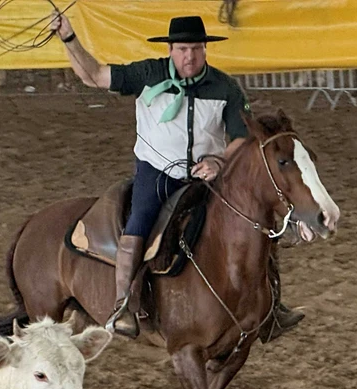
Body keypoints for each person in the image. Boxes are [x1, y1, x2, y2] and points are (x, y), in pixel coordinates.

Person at [50, 12, 304, 340]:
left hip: (208, 174)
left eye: (196, 49)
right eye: (183, 49)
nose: (190, 56)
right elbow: (94, 75)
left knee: (255, 219)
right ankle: (124, 304)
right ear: (170, 49)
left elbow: (242, 137)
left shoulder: (226, 87)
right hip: (157, 172)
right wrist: (69, 38)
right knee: (140, 221)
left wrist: (219, 161)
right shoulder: (147, 74)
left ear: (205, 50)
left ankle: (272, 306)